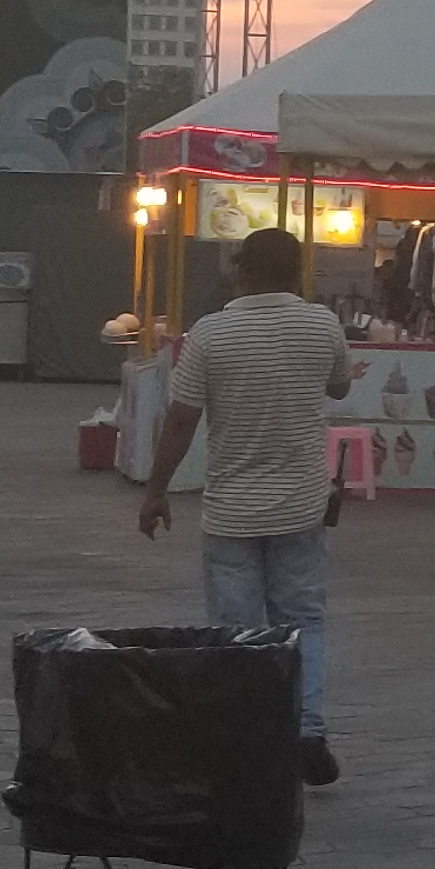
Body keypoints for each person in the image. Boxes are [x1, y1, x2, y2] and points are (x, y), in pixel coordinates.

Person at [138, 226, 358, 785]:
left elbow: (181, 420)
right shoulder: (322, 325)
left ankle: (246, 740)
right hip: (301, 506)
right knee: (303, 620)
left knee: (236, 633)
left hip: (231, 511)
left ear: (241, 269)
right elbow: (339, 388)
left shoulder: (210, 334)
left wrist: (156, 489)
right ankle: (307, 730)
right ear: (297, 271)